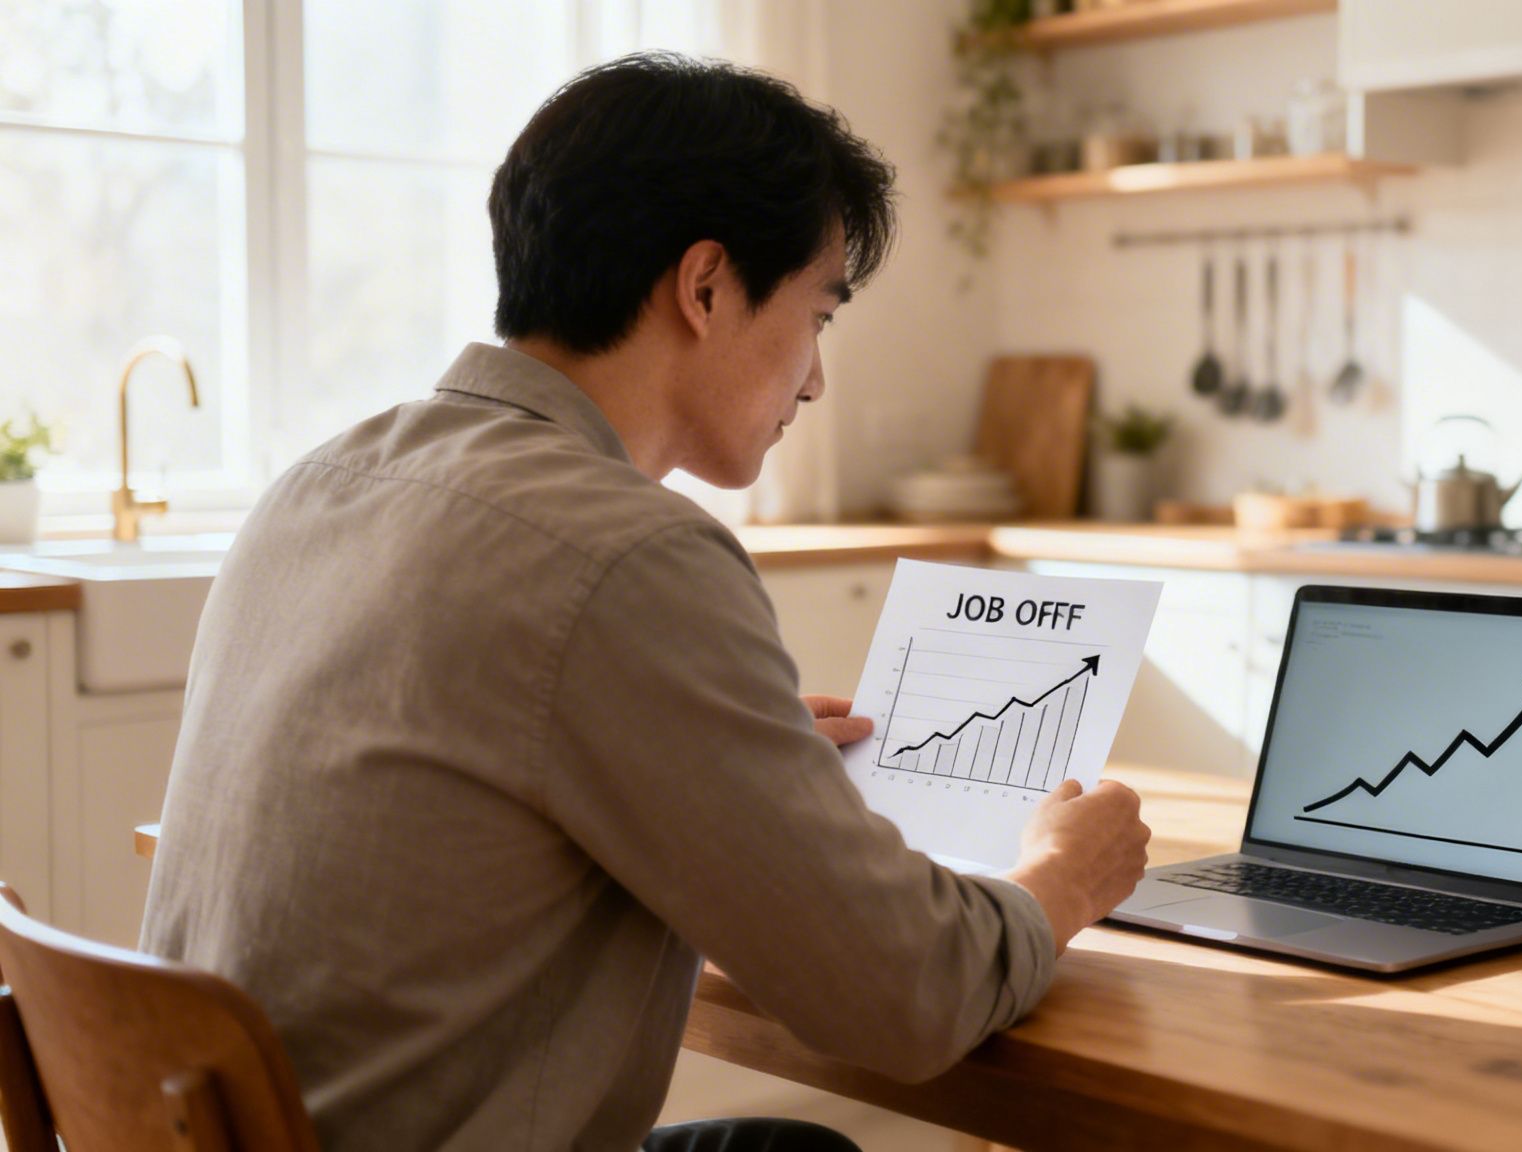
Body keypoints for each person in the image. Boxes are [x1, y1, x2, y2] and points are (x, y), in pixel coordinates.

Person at [140, 52, 1150, 1152]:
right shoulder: (627, 554)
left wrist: (719, 760)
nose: (815, 378)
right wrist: (1060, 880)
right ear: (705, 286)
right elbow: (907, 996)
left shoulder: (316, 486)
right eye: (817, 315)